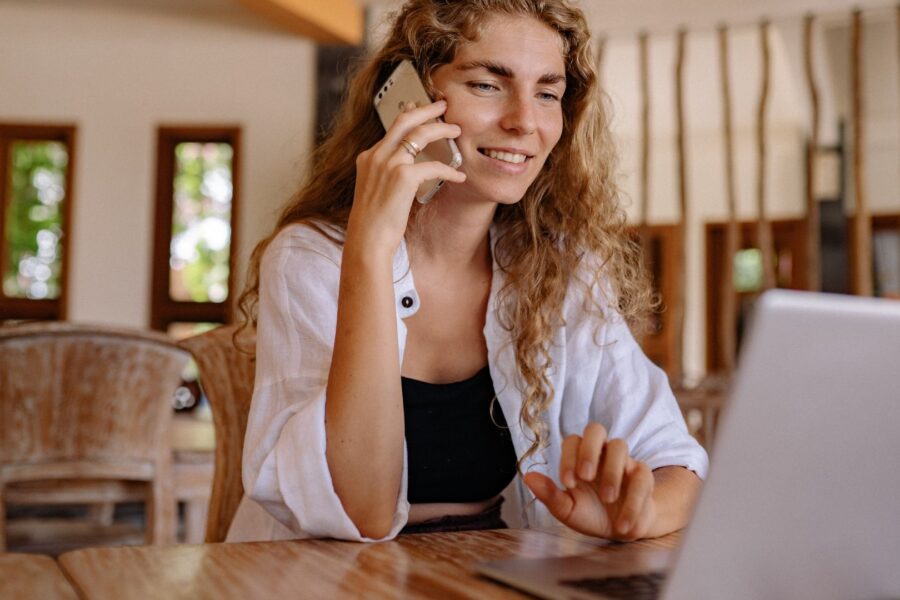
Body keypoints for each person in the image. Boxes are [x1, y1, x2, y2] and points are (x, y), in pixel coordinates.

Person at [227, 0, 708, 543]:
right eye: (487, 85)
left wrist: (638, 514)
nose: (525, 120)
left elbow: (677, 466)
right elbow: (362, 512)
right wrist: (370, 249)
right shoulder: (311, 257)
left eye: (547, 93)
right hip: (324, 577)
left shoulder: (560, 267)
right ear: (407, 98)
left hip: (487, 567)